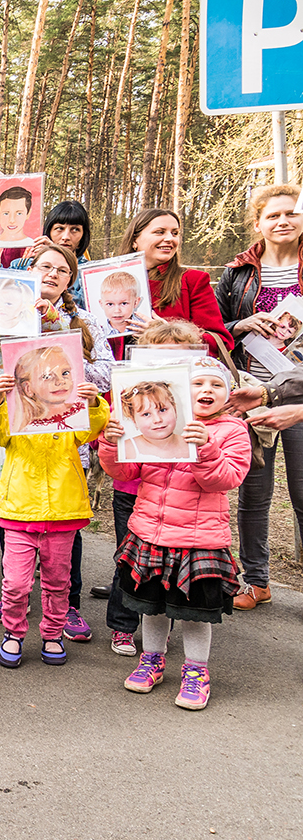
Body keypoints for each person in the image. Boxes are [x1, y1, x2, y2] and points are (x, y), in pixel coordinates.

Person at [99, 358, 250, 710]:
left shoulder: (231, 432)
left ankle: (197, 672)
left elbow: (226, 479)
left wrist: (206, 448)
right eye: (197, 384)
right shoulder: (159, 422)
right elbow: (125, 471)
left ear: (227, 394)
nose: (206, 391)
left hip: (199, 541)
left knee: (195, 612)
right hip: (150, 532)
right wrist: (111, 444)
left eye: (215, 385)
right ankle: (152, 660)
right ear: (180, 390)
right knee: (152, 607)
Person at [0, 361, 108, 668]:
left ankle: (53, 634)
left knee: (57, 580)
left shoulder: (69, 416)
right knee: (15, 582)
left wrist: (92, 403)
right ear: (26, 385)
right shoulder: (16, 413)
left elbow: (92, 430)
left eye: (63, 375)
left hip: (62, 512)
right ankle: (13, 632)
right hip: (21, 512)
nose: (55, 382)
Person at [216, 182, 302, 610]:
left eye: (291, 213)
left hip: (300, 398)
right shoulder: (236, 273)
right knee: (255, 494)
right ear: (258, 223)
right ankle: (257, 581)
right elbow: (216, 331)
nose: (283, 221)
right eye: (273, 215)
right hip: (252, 391)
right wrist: (242, 324)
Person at [120, 208, 232, 355]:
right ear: (135, 240)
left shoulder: (193, 281)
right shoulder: (104, 278)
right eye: (159, 232)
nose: (170, 238)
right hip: (115, 374)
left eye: (175, 233)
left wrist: (168, 334)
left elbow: (219, 341)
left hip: (174, 374)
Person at [118, 380, 190, 460]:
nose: (157, 420)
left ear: (175, 411)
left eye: (162, 410)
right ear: (134, 421)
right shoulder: (127, 449)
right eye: (146, 414)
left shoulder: (190, 445)